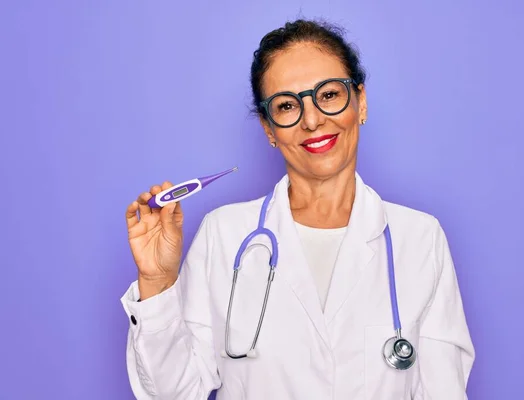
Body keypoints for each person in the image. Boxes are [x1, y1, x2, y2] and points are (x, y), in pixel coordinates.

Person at [122, 18, 475, 400]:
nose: (311, 120)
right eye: (287, 105)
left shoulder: (420, 238)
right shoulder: (223, 235)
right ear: (269, 128)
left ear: (361, 102)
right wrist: (156, 282)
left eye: (328, 95)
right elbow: (172, 394)